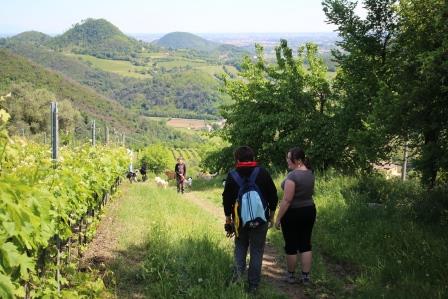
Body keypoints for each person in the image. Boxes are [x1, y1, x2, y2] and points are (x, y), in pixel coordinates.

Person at [223, 146, 278, 293]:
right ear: (252, 158)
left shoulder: (232, 175)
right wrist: (271, 216)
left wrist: (228, 218)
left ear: (237, 159)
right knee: (257, 251)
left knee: (240, 248)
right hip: (261, 220)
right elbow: (273, 195)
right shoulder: (262, 173)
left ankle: (237, 280)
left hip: (240, 222)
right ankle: (253, 286)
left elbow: (226, 199)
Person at [275, 147, 316, 284]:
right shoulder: (310, 173)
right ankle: (305, 277)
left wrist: (278, 218)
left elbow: (287, 200)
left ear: (297, 160)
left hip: (293, 213)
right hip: (309, 210)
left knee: (291, 245)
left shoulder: (293, 176)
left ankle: (291, 276)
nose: (287, 160)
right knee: (305, 243)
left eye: (289, 157)